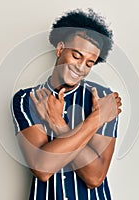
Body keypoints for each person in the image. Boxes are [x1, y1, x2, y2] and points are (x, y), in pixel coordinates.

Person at [11, 8, 122, 200]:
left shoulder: (104, 99)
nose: (80, 67)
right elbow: (43, 169)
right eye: (77, 56)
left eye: (89, 63)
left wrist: (59, 126)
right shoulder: (27, 99)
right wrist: (97, 118)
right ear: (60, 48)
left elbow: (95, 177)